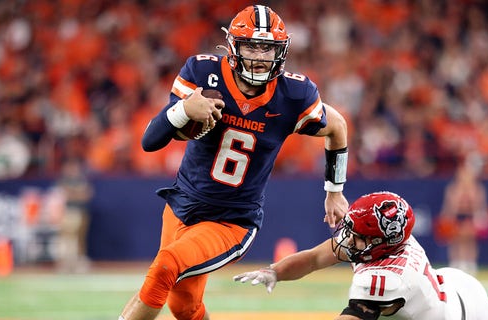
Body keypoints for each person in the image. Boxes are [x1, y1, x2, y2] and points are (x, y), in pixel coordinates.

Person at [118, 5, 349, 320]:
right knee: (183, 306)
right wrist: (185, 110)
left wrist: (334, 190)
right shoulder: (202, 74)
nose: (259, 55)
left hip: (230, 220)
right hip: (181, 206)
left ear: (280, 52)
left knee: (166, 267)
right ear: (232, 46)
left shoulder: (293, 96)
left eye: (267, 47)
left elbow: (337, 127)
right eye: (252, 45)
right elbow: (150, 141)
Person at [234, 191, 488, 320]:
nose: (350, 239)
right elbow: (313, 258)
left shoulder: (386, 279)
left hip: (459, 313)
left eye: (360, 235)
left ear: (382, 241)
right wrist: (275, 271)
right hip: (453, 286)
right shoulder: (386, 241)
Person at [437, 162, 488, 275]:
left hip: (470, 217)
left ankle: (470, 262)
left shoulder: (476, 189)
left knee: (469, 240)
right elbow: (448, 205)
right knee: (456, 240)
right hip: (456, 217)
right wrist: (446, 217)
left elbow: (480, 205)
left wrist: (481, 217)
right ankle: (456, 261)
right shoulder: (453, 188)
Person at [55, 158, 94, 273]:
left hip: (80, 211)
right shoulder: (64, 180)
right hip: (68, 212)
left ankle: (77, 263)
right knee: (67, 239)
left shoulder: (80, 180)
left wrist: (73, 193)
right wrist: (76, 193)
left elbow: (86, 194)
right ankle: (66, 263)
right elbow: (62, 195)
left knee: (79, 239)